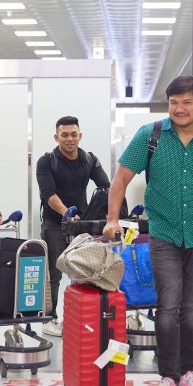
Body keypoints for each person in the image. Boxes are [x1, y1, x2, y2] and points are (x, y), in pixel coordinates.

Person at [103, 76, 193, 386]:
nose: (179, 109)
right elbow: (121, 179)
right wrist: (112, 218)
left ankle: (187, 373)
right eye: (174, 102)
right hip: (164, 234)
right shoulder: (150, 136)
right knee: (167, 309)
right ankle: (167, 378)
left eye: (187, 103)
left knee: (191, 310)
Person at [36, 115, 110, 336]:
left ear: (80, 136)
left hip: (82, 225)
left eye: (73, 134)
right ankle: (50, 318)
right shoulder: (47, 160)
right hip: (54, 223)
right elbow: (48, 194)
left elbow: (105, 186)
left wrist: (109, 214)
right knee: (54, 273)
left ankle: (85, 316)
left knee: (85, 271)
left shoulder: (89, 159)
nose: (69, 139)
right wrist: (66, 214)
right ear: (56, 137)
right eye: (64, 135)